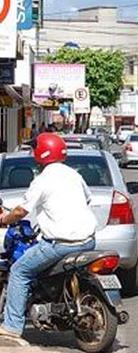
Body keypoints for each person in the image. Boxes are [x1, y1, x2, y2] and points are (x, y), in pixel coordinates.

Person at [0, 133, 97, 338]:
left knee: (19, 271)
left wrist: (4, 220)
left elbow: (20, 211)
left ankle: (12, 326)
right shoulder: (73, 174)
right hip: (88, 241)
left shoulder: (42, 180)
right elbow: (88, 199)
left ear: (40, 153)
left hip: (60, 244)